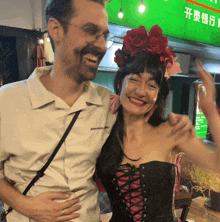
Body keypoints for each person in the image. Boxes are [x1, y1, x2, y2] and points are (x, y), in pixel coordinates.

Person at [0, 1, 194, 222]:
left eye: (104, 35)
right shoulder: (8, 101)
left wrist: (172, 122)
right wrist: (23, 204)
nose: (102, 45)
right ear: (56, 30)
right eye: (90, 31)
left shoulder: (108, 105)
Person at [96, 25, 220, 222]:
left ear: (159, 94)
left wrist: (210, 112)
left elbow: (217, 164)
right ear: (120, 83)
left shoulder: (171, 130)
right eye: (134, 80)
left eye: (152, 85)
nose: (141, 91)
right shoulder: (101, 129)